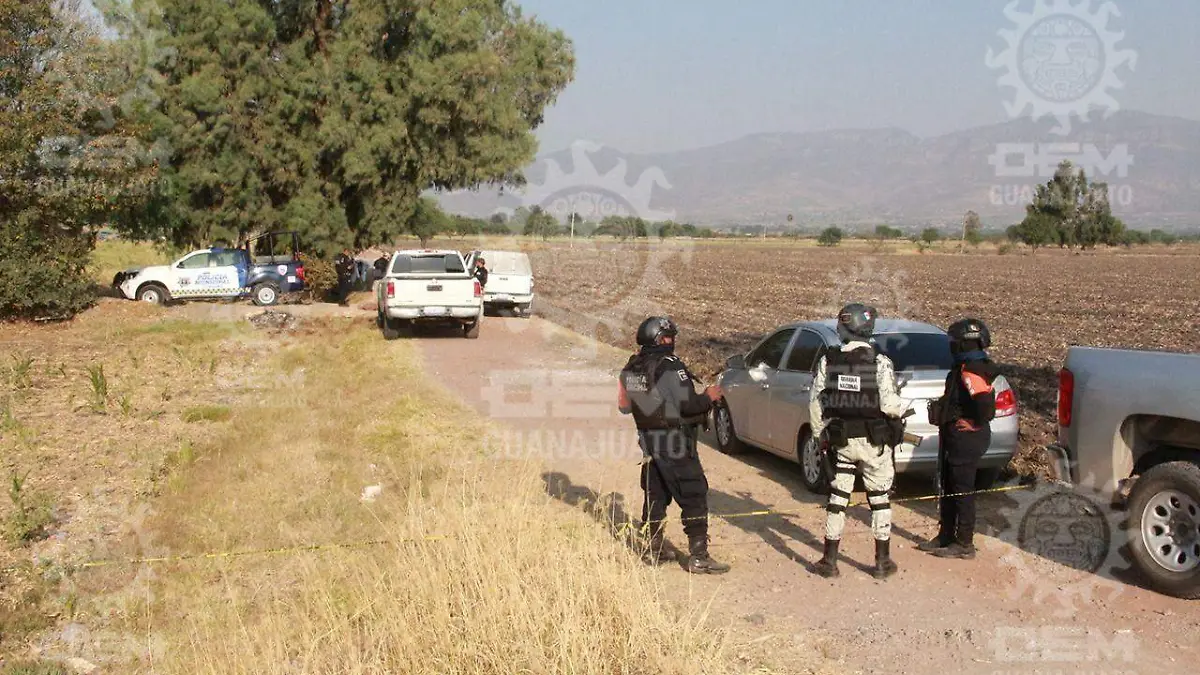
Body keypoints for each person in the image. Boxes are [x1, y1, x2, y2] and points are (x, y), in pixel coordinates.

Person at [617, 316, 729, 574]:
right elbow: (688, 404)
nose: (672, 341)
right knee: (694, 493)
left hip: (648, 442)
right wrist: (709, 396)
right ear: (659, 338)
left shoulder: (631, 367)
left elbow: (624, 407)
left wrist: (654, 406)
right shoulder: (670, 365)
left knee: (655, 493)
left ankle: (653, 549)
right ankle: (699, 556)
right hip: (675, 442)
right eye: (669, 337)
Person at [809, 303, 908, 580]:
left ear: (845, 327)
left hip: (841, 440)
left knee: (838, 499)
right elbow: (889, 404)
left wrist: (819, 436)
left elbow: (817, 403)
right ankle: (881, 562)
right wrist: (902, 410)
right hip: (875, 443)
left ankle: (829, 562)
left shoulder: (828, 360)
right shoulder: (880, 362)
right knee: (879, 500)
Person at [920, 318, 999, 560]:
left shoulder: (971, 370)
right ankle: (945, 536)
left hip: (966, 439)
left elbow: (985, 406)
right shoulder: (967, 366)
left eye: (954, 342)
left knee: (962, 491)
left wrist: (974, 423)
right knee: (949, 486)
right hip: (955, 437)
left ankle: (964, 543)